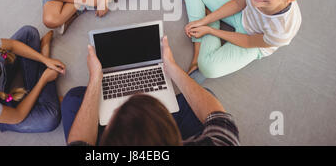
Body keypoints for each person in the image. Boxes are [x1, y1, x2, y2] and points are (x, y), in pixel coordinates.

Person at [61, 36, 240, 146]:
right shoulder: (222, 142)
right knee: (204, 94)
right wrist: (172, 68)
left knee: (73, 98)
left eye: (116, 112)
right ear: (173, 131)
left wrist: (95, 79)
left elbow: (79, 143)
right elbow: (218, 118)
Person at [184, 0, 311, 83]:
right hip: (243, 13)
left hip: (253, 42)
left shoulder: (283, 30)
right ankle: (199, 45)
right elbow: (238, 3)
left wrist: (211, 30)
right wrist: (204, 21)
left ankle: (209, 24)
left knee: (208, 68)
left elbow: (249, 42)